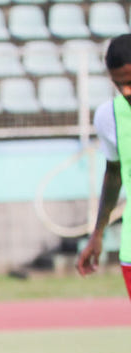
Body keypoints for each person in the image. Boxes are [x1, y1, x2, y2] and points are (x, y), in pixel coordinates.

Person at [77, 34, 131, 292]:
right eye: (119, 84)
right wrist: (98, 233)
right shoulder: (108, 116)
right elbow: (114, 173)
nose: (126, 91)